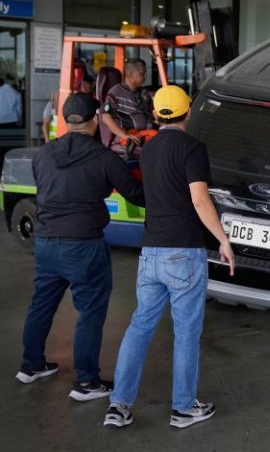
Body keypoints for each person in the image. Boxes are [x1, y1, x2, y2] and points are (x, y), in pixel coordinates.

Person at [104, 85, 235, 429]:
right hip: (184, 253)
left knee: (140, 326)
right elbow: (199, 200)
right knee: (186, 332)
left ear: (156, 114)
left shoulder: (148, 150)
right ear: (187, 112)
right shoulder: (193, 148)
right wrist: (222, 239)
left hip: (150, 252)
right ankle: (182, 408)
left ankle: (119, 404)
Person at [16, 92, 145, 402]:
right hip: (84, 246)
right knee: (89, 312)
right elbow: (137, 196)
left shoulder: (43, 155)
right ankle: (86, 382)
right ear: (95, 120)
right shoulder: (105, 158)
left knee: (41, 304)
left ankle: (31, 365)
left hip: (46, 242)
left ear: (65, 120)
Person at [100, 58, 154, 147]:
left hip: (146, 138)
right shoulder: (115, 93)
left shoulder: (144, 93)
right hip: (127, 142)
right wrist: (125, 136)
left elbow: (152, 113)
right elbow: (106, 117)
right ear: (131, 75)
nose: (145, 77)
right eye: (142, 74)